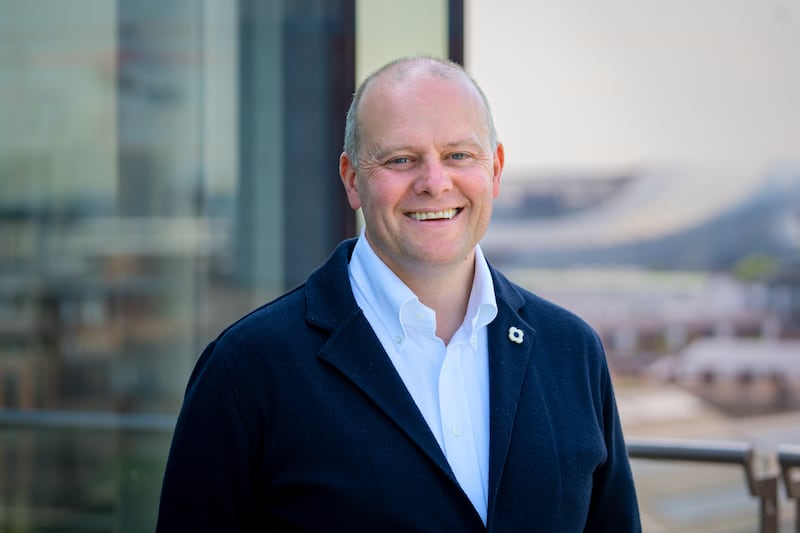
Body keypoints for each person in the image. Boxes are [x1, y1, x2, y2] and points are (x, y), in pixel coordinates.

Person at [157, 56, 641, 532]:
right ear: (352, 179)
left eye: (458, 155)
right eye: (401, 159)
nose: (434, 183)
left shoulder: (572, 352)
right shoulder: (247, 369)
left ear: (494, 169)